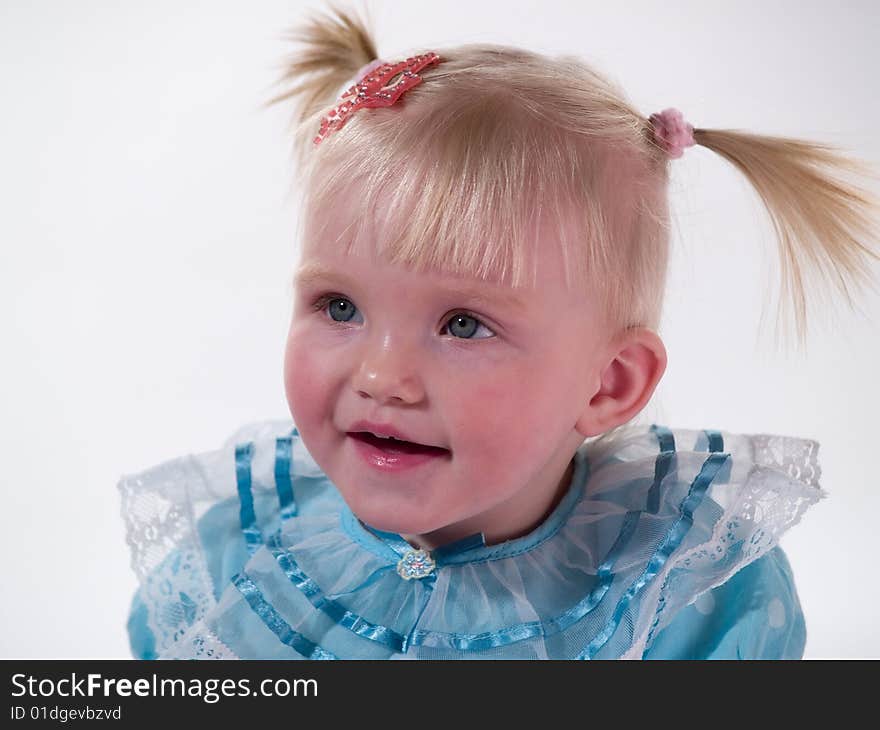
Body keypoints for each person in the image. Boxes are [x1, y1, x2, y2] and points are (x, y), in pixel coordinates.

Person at [119, 4, 878, 660]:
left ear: (609, 382)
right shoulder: (243, 565)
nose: (382, 377)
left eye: (463, 323)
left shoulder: (682, 595)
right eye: (339, 307)